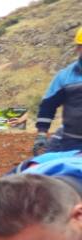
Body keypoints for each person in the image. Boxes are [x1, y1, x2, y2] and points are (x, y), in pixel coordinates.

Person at [33, 27, 82, 155]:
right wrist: (42, 134)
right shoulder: (65, 76)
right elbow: (48, 105)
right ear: (78, 48)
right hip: (72, 141)